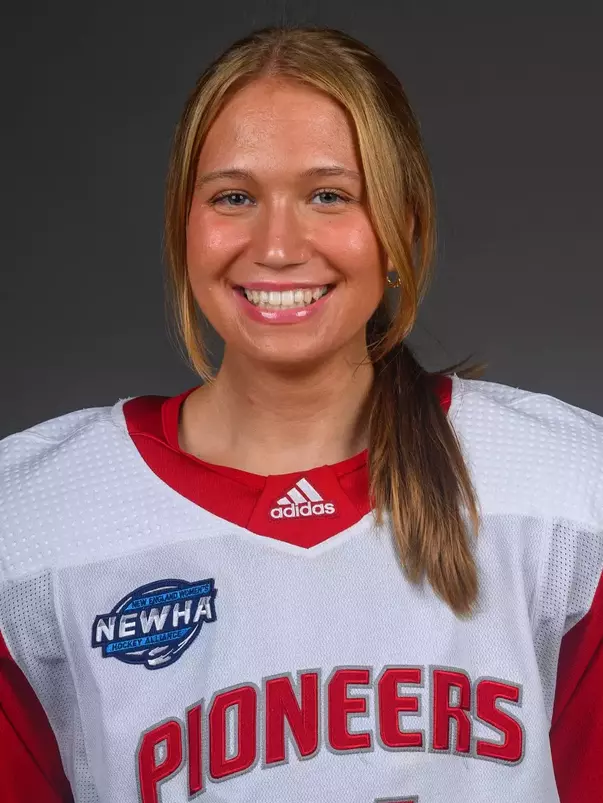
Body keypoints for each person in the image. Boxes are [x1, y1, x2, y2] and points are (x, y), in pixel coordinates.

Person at [0, 24, 601, 803]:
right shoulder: (34, 526)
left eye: (328, 195)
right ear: (184, 229)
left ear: (400, 229)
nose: (277, 245)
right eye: (234, 197)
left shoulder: (565, 496)